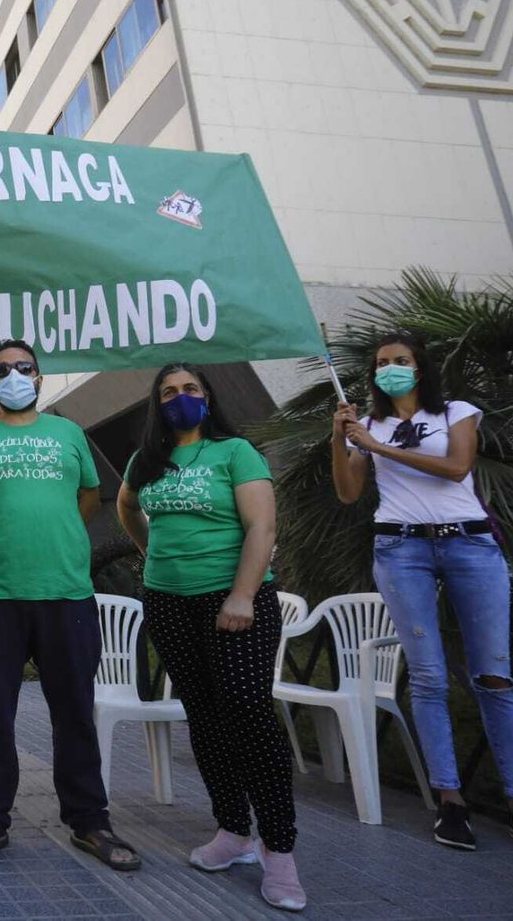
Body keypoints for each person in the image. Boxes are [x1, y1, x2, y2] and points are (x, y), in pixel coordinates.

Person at [332, 332, 513, 861]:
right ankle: (450, 800)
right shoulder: (368, 424)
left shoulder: (455, 412)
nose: (390, 368)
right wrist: (341, 439)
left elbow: (457, 468)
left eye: (400, 360)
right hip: (400, 547)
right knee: (427, 676)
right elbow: (349, 492)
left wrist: (378, 447)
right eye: (381, 363)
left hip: (469, 543)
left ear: (420, 367)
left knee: (494, 676)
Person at [116, 363, 304, 911]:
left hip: (234, 603)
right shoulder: (147, 460)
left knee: (248, 714)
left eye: (190, 389)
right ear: (157, 403)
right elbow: (126, 506)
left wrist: (242, 595)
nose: (180, 398)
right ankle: (233, 831)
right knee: (203, 716)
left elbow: (262, 526)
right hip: (168, 603)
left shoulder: (235, 452)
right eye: (168, 392)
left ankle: (279, 849)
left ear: (207, 397)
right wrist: (150, 552)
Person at [0, 339, 137, 870]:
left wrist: (55, 538)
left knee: (74, 714)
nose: (13, 375)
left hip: (65, 593)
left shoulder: (68, 433)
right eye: (2, 370)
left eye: (23, 367)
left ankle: (90, 821)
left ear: (39, 377)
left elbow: (87, 497)